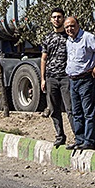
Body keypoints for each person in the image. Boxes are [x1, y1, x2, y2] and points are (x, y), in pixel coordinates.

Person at [64, 16, 95, 150]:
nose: (70, 29)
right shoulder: (69, 41)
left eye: (72, 26)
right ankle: (79, 139)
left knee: (88, 112)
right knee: (76, 111)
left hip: (86, 79)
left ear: (78, 25)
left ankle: (89, 141)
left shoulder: (87, 37)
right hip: (73, 80)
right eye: (67, 27)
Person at [40, 8, 74, 147]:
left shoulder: (70, 36)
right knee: (54, 109)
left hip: (66, 77)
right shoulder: (47, 38)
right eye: (54, 17)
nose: (56, 19)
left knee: (70, 109)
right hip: (51, 78)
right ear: (50, 19)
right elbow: (43, 59)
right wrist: (43, 79)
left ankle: (78, 136)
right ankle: (60, 135)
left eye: (59, 17)